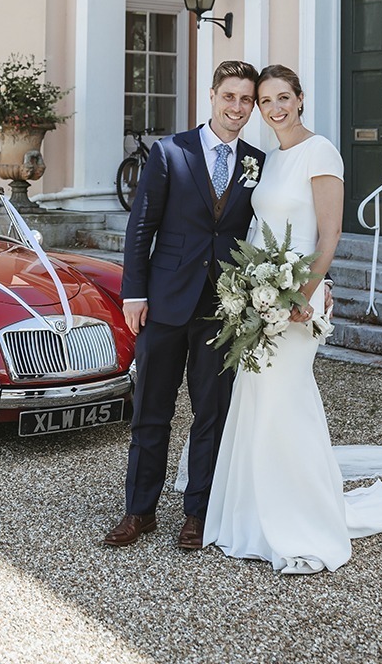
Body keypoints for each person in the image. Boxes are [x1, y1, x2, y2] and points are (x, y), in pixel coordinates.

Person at [202, 64, 382, 574]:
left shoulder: (321, 151)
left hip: (297, 302)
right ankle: (249, 512)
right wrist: (252, 290)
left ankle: (301, 518)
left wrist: (304, 293)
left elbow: (329, 233)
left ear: (301, 98)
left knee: (286, 402)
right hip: (259, 299)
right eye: (265, 101)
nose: (274, 109)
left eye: (283, 98)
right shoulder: (268, 158)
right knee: (256, 401)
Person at [103, 60, 265, 550]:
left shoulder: (258, 161)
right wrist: (135, 291)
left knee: (210, 413)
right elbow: (141, 226)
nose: (237, 108)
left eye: (246, 100)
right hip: (165, 303)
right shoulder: (171, 152)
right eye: (229, 97)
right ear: (212, 95)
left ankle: (198, 512)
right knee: (151, 410)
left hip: (223, 307)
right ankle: (139, 510)